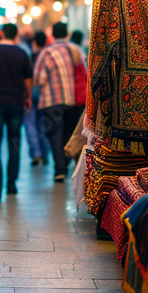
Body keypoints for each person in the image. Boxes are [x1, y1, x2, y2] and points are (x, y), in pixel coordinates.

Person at [0, 23, 33, 201]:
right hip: (16, 104)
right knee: (14, 144)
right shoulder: (21, 53)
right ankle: (11, 183)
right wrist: (28, 98)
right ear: (16, 35)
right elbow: (28, 80)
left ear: (1, 34)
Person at [33, 22, 88, 182]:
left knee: (55, 134)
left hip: (52, 100)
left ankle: (60, 169)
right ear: (67, 34)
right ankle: (70, 163)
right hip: (74, 100)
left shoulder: (47, 52)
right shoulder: (75, 50)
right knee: (69, 133)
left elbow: (39, 78)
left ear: (53, 35)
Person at [24, 31, 51, 166]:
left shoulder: (29, 57)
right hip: (44, 94)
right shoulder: (48, 57)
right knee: (44, 124)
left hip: (29, 93)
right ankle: (45, 153)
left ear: (34, 42)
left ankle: (35, 153)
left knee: (30, 124)